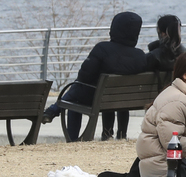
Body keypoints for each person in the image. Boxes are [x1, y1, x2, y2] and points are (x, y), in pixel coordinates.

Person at [42, 11, 148, 141]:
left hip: (97, 99)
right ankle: (120, 135)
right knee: (81, 88)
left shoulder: (102, 49)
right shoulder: (141, 56)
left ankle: (69, 134)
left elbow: (84, 76)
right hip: (123, 100)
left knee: (75, 94)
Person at [135, 51, 186, 177]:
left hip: (175, 165)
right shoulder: (176, 101)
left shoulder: (184, 97)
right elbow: (173, 142)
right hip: (167, 170)